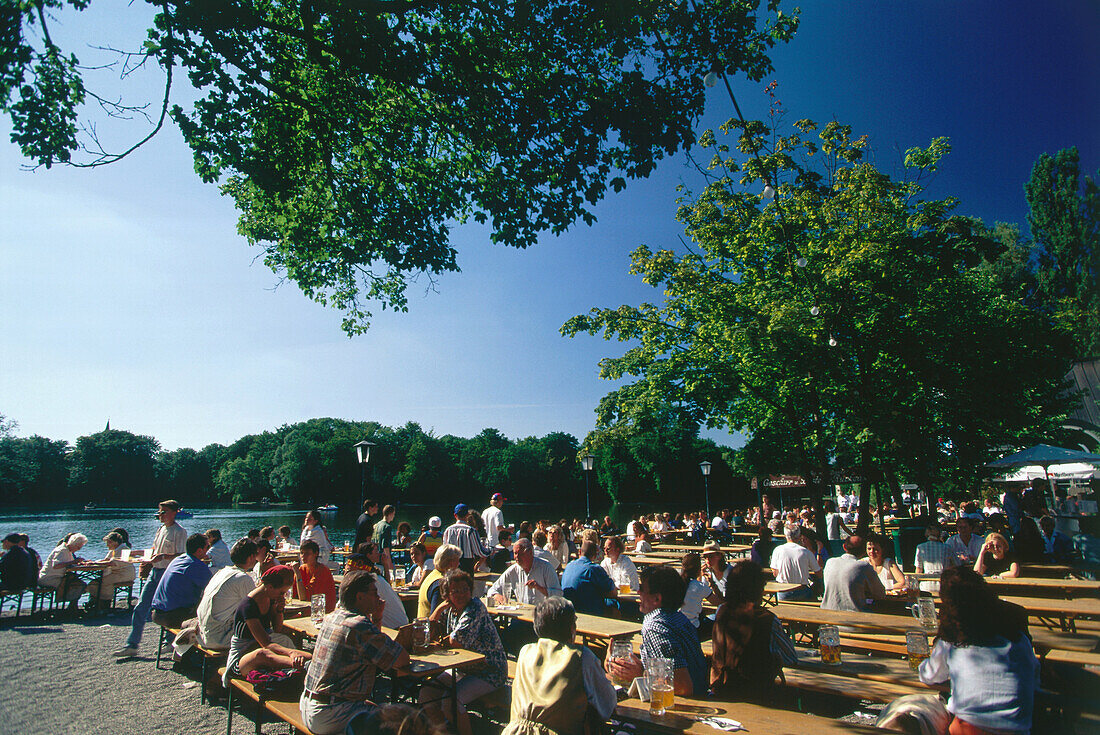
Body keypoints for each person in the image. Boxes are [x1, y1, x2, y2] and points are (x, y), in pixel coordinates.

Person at [919, 567, 1038, 733]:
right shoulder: (1017, 637)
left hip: (969, 728)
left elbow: (929, 676)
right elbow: (1034, 674)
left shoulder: (952, 640)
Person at [299, 570, 411, 735]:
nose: (378, 597)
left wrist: (377, 617)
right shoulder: (359, 626)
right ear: (360, 597)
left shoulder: (331, 617)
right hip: (330, 713)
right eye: (374, 593)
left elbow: (372, 650)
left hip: (310, 705)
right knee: (404, 721)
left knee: (374, 708)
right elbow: (402, 660)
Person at [502, 596, 617, 735]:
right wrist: (610, 672)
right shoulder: (581, 657)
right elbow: (607, 704)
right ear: (571, 628)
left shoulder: (526, 652)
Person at [422, 570, 508, 735]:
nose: (461, 594)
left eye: (465, 589)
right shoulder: (451, 610)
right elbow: (428, 632)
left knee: (450, 701)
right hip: (464, 669)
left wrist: (441, 642)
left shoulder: (474, 608)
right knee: (427, 692)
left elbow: (456, 641)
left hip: (489, 671)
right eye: (455, 591)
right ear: (447, 595)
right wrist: (440, 609)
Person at [604, 565, 708, 697]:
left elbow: (683, 686)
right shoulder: (679, 618)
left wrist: (641, 673)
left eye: (642, 589)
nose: (638, 592)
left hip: (684, 706)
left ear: (657, 599)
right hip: (702, 693)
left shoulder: (655, 626)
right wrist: (624, 667)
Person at [710, 561, 798, 701]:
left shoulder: (722, 611)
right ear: (758, 589)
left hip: (723, 688)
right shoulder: (767, 619)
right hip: (758, 693)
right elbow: (791, 657)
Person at [223, 565, 312, 688]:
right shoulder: (248, 606)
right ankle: (307, 666)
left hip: (264, 648)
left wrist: (279, 610)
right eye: (281, 592)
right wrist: (291, 653)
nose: (283, 596)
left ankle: (309, 663)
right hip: (242, 657)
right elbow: (266, 643)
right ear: (270, 587)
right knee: (262, 654)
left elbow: (277, 629)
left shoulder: (270, 598)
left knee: (306, 654)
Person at [197, 538, 263, 650]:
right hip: (218, 637)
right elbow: (258, 606)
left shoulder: (222, 572)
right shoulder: (243, 578)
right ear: (251, 557)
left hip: (203, 632)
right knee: (266, 631)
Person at [150, 533, 213, 629]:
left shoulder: (178, 559)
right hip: (171, 616)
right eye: (207, 547)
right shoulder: (196, 565)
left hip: (157, 613)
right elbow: (213, 587)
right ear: (200, 550)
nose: (208, 549)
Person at [820, 535, 887, 612]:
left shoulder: (830, 562)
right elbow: (880, 594)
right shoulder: (863, 566)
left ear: (844, 547)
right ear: (863, 551)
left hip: (827, 612)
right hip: (854, 615)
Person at [488, 538, 562, 605]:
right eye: (515, 553)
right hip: (521, 614)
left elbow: (558, 595)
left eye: (520, 554)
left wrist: (539, 588)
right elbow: (492, 589)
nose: (517, 557)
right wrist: (497, 596)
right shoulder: (513, 570)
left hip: (542, 613)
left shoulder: (546, 567)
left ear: (530, 553)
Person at [561, 541, 616, 616]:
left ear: (579, 551)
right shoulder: (594, 569)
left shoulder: (569, 566)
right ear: (595, 555)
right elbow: (613, 593)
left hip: (569, 610)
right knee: (615, 606)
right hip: (589, 612)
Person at [770, 523, 820, 601]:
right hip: (802, 590)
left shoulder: (778, 550)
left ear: (785, 536)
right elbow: (818, 572)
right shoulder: (806, 552)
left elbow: (774, 573)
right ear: (799, 537)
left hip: (784, 591)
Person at [39, 533, 89, 610]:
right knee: (77, 585)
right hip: (49, 578)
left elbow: (70, 563)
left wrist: (80, 562)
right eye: (78, 547)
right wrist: (73, 562)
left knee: (80, 584)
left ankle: (72, 606)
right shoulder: (61, 550)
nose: (78, 549)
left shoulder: (68, 550)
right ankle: (72, 607)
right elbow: (56, 566)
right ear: (73, 544)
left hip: (58, 577)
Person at [89, 530, 137, 609]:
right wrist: (93, 562)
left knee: (103, 581)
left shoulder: (124, 549)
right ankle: (96, 601)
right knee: (95, 582)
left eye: (109, 543)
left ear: (115, 542)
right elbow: (106, 560)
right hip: (116, 573)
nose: (107, 545)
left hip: (124, 574)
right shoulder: (113, 550)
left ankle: (105, 603)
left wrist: (95, 564)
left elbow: (111, 563)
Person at [442, 503, 490, 574]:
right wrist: (489, 550)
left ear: (455, 515)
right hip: (467, 565)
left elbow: (445, 549)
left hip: (451, 563)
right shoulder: (471, 530)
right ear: (467, 515)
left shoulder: (448, 530)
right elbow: (479, 552)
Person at [417, 544, 462, 618]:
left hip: (421, 623)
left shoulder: (432, 575)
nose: (459, 564)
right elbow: (436, 617)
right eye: (458, 560)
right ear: (451, 562)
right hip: (430, 627)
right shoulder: (441, 584)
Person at [293, 539, 338, 613]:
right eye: (302, 553)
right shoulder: (302, 568)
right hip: (307, 608)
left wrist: (297, 574)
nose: (303, 556)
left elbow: (303, 598)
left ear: (316, 554)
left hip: (322, 612)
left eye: (307, 553)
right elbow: (294, 595)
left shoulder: (322, 571)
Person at [914, 522, 955, 594]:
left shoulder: (920, 547)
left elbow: (918, 569)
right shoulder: (947, 547)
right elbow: (956, 565)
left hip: (926, 585)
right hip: (943, 583)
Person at [678, 553, 710, 630]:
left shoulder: (677, 582)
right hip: (693, 627)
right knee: (715, 617)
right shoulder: (700, 586)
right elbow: (717, 602)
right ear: (698, 569)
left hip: (677, 625)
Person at [371, 504, 397, 575]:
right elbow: (385, 546)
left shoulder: (377, 525)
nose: (394, 516)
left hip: (376, 559)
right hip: (383, 561)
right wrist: (389, 563)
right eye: (393, 514)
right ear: (390, 514)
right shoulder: (387, 527)